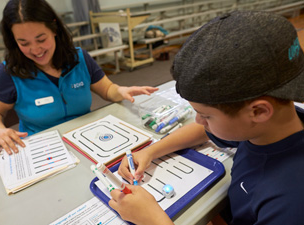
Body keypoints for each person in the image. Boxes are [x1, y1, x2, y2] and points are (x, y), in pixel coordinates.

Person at [109, 10, 304, 225]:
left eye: (206, 116)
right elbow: (203, 130)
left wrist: (153, 220)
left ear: (258, 111)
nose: (198, 122)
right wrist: (150, 151)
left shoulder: (291, 204)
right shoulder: (271, 127)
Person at [0, 0, 158, 156]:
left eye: (41, 39)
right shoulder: (8, 72)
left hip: (88, 140)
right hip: (43, 149)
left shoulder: (79, 58)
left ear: (54, 28)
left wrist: (121, 90)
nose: (35, 50)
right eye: (24, 43)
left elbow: (107, 89)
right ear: (13, 41)